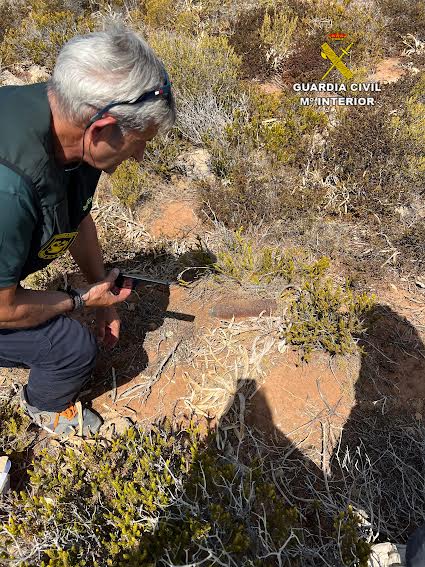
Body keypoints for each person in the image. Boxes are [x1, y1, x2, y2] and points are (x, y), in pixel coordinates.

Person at [0, 25, 176, 436]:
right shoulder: (8, 188)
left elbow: (76, 219)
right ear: (101, 129)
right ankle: (45, 408)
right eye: (138, 141)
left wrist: (103, 292)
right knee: (69, 346)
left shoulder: (67, 120)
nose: (140, 155)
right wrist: (78, 301)